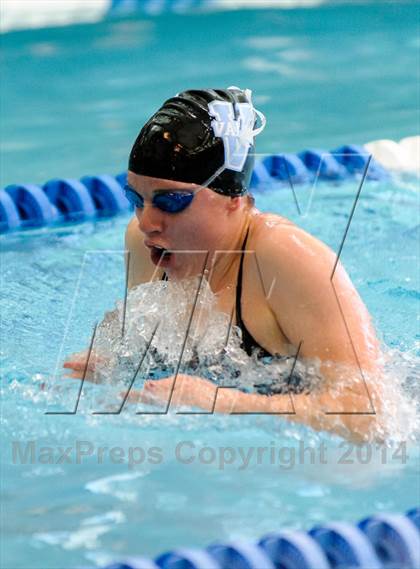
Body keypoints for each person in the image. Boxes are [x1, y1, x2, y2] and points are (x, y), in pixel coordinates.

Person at [64, 87, 383, 441]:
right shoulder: (146, 245)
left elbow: (371, 413)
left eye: (170, 202)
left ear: (232, 198)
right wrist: (106, 358)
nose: (146, 222)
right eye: (136, 199)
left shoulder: (287, 258)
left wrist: (223, 402)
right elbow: (139, 331)